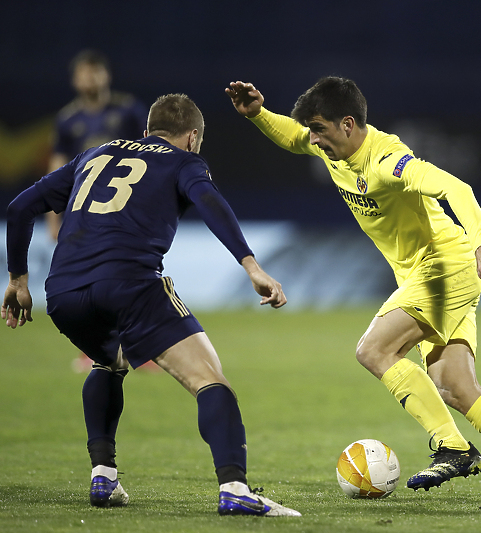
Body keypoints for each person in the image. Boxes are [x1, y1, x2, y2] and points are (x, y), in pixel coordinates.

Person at [226, 78, 481, 502]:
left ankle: (454, 447)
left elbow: (456, 188)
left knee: (373, 350)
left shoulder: (387, 161)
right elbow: (293, 137)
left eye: (319, 129)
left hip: (444, 266)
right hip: (434, 275)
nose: (313, 139)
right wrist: (258, 114)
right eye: (312, 131)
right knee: (455, 387)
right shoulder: (328, 145)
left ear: (348, 124)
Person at [3, 94, 300, 517]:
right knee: (211, 381)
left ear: (145, 132)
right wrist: (252, 266)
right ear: (193, 138)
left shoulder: (94, 154)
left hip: (64, 293)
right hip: (129, 284)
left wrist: (17, 280)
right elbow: (210, 203)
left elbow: (19, 207)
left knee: (108, 362)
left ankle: (103, 476)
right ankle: (235, 488)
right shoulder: (184, 162)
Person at [47, 49, 149, 372]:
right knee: (92, 281)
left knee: (132, 277)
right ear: (75, 80)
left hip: (126, 208)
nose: (89, 79)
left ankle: (138, 347)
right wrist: (54, 214)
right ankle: (92, 348)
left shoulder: (129, 110)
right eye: (83, 73)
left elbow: (152, 152)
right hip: (85, 213)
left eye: (95, 72)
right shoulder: (68, 120)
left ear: (106, 75)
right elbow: (57, 169)